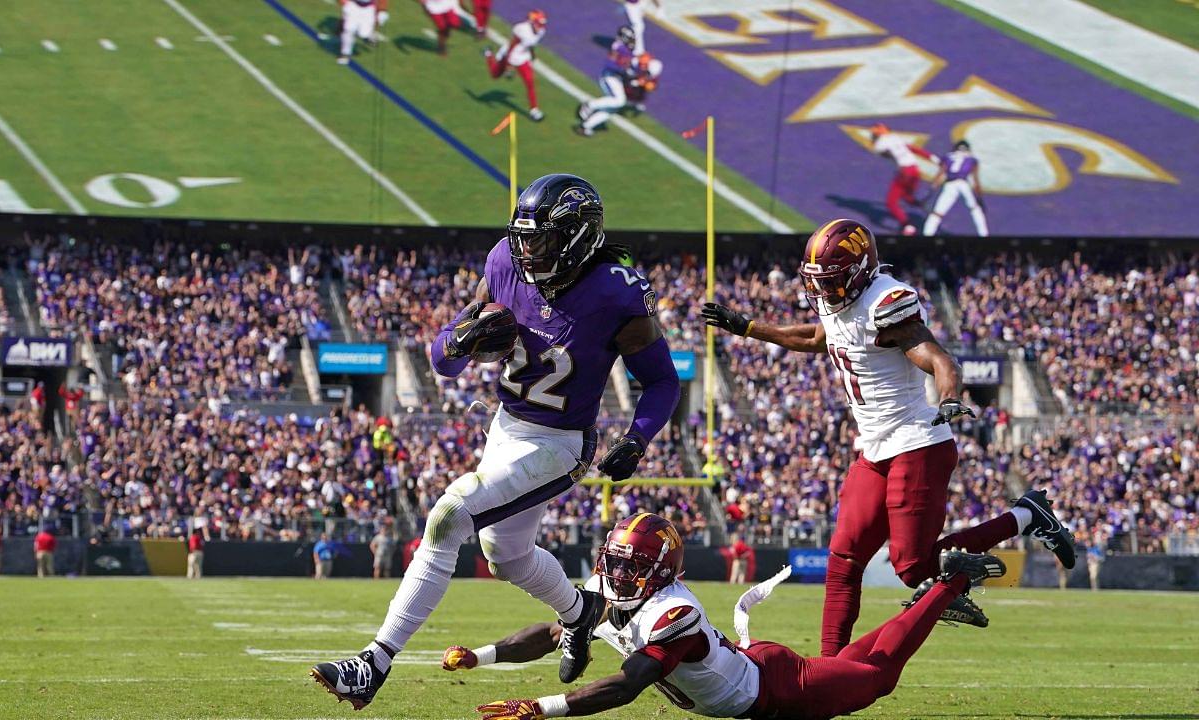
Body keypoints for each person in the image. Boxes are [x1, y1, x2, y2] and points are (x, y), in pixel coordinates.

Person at [310, 173, 681, 710]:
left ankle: (374, 661)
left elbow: (663, 380)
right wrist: (460, 339)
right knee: (504, 553)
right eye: (523, 236)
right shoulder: (505, 261)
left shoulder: (614, 291)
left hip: (560, 442)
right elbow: (443, 362)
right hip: (506, 427)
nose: (527, 249)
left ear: (576, 237)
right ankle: (580, 613)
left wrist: (638, 438)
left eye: (542, 238)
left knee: (448, 517)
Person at [702, 219, 1076, 656]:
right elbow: (815, 336)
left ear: (858, 272)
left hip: (918, 442)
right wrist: (748, 327)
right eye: (819, 281)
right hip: (875, 447)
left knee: (912, 566)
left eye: (832, 280)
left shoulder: (885, 302)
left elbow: (938, 357)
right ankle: (828, 668)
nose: (824, 291)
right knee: (842, 559)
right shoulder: (838, 302)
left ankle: (1027, 517)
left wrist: (951, 397)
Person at [444, 513, 1008, 720]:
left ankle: (952, 580)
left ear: (660, 571)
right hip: (751, 670)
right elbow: (552, 633)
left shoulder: (675, 612)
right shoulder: (609, 590)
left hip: (777, 689)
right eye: (614, 563)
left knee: (877, 678)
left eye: (630, 566)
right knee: (861, 665)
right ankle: (928, 605)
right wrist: (483, 655)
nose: (615, 576)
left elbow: (629, 684)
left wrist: (544, 709)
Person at [575, 31, 664, 137]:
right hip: (610, 76)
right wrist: (631, 77)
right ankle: (589, 105)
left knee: (613, 108)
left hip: (618, 79)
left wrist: (642, 83)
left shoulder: (649, 67)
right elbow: (617, 66)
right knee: (619, 101)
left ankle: (585, 126)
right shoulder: (636, 60)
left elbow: (650, 84)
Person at [868, 124, 936, 236]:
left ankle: (908, 226)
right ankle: (925, 207)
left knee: (891, 202)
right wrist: (932, 158)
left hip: (905, 172)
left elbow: (887, 154)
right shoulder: (895, 137)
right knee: (906, 196)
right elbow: (911, 148)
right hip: (914, 169)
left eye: (874, 134)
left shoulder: (879, 144)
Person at [484, 10, 548, 121]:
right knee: (494, 75)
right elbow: (511, 47)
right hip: (510, 55)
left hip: (523, 57)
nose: (540, 27)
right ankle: (488, 54)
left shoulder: (541, 31)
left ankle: (534, 110)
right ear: (532, 22)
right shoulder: (522, 30)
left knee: (530, 82)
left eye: (541, 24)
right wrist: (508, 66)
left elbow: (531, 44)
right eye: (538, 24)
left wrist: (532, 55)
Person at [922, 140, 988, 237]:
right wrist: (980, 198)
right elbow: (975, 181)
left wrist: (930, 191)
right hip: (963, 183)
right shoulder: (972, 159)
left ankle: (927, 234)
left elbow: (940, 175)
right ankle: (984, 234)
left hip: (950, 184)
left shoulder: (948, 156)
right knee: (975, 209)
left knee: (937, 213)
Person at [337, 0, 388, 64]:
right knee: (348, 29)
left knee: (363, 34)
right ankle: (345, 53)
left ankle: (369, 35)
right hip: (353, 5)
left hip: (368, 8)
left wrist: (382, 10)